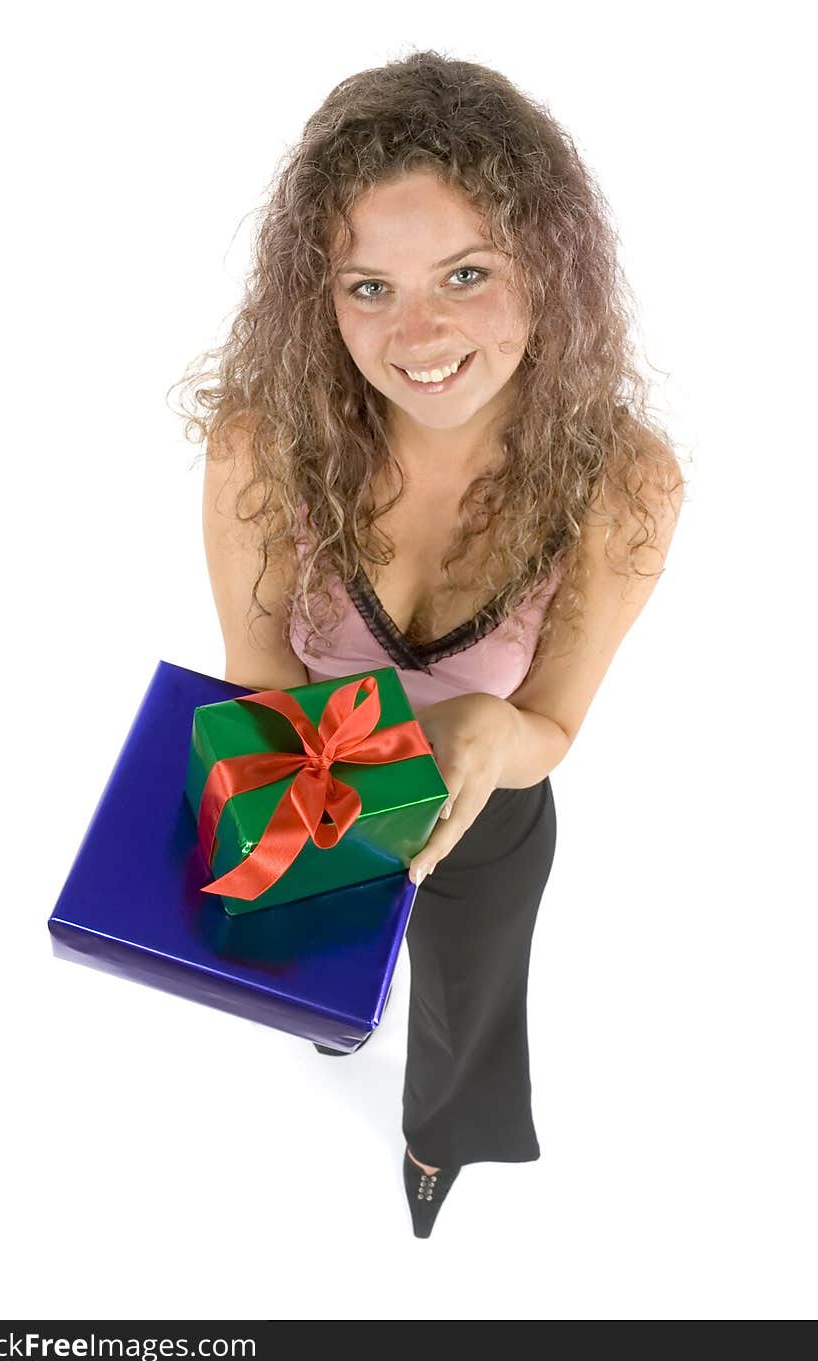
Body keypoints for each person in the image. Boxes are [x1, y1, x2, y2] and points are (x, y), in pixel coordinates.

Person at [175, 49, 685, 1238]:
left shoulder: (622, 484)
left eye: (465, 272)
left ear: (547, 270)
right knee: (309, 957)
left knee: (467, 993)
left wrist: (488, 730)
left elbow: (553, 721)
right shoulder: (263, 444)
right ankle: (323, 1002)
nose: (418, 333)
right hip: (310, 767)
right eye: (368, 287)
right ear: (321, 293)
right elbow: (259, 671)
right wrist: (315, 841)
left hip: (487, 798)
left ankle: (436, 1134)